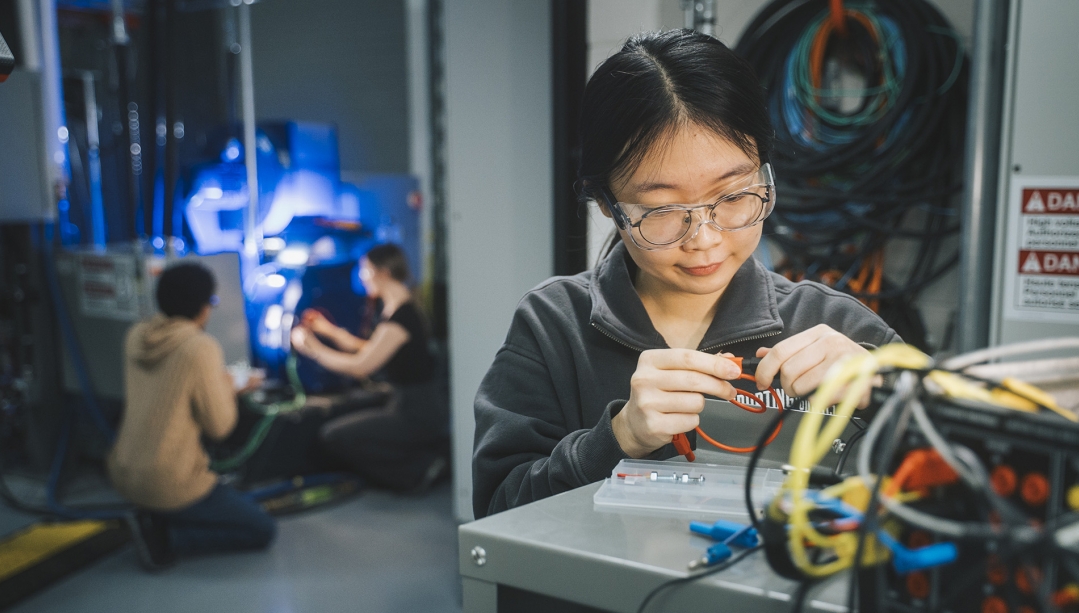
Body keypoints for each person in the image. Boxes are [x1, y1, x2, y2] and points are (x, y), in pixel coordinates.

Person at [472, 30, 900, 519]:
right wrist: (619, 438)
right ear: (607, 205)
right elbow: (498, 513)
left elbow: (965, 484)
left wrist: (886, 390)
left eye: (735, 196)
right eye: (662, 210)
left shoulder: (833, 326)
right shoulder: (554, 327)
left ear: (766, 175)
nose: (704, 238)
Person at [109, 262, 274, 571]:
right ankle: (164, 538)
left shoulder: (137, 336)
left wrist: (214, 381)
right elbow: (220, 426)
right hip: (168, 480)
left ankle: (151, 517)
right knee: (261, 529)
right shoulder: (200, 347)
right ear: (202, 306)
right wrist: (229, 386)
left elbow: (168, 389)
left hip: (123, 471)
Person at [290, 243, 448, 492]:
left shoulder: (402, 316)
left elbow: (361, 366)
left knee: (335, 436)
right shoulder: (398, 309)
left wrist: (311, 348)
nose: (361, 277)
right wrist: (328, 331)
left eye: (365, 270)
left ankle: (420, 470)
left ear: (382, 273)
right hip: (407, 404)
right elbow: (370, 348)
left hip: (417, 412)